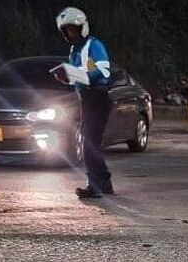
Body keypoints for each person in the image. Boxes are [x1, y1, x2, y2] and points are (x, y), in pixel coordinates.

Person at [54, 7, 114, 199]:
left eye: (73, 29)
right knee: (91, 142)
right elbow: (76, 76)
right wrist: (66, 78)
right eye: (67, 30)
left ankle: (95, 184)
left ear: (82, 28)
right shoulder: (74, 50)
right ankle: (104, 183)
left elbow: (104, 71)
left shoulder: (94, 45)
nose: (70, 33)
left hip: (98, 97)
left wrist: (83, 76)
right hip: (86, 99)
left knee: (89, 143)